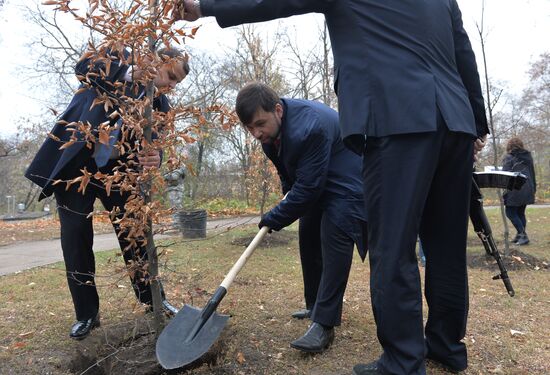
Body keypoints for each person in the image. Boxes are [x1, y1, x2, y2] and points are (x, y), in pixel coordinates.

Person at [174, 1, 488, 374]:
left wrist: (203, 6)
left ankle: (404, 361)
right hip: (455, 123)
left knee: (391, 247)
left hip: (395, 119)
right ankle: (445, 346)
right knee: (446, 247)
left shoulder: (308, 123)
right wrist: (476, 121)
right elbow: (462, 49)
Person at [25, 46, 189, 340]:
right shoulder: (119, 57)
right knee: (75, 238)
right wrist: (128, 72)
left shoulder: (161, 106)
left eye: (177, 83)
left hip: (122, 173)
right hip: (76, 167)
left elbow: (157, 145)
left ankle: (153, 300)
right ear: (154, 61)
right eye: (171, 76)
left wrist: (156, 157)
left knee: (137, 234)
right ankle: (87, 314)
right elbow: (82, 67)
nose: (171, 86)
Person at [236, 82, 367, 354]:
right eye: (250, 128)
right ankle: (314, 305)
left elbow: (307, 189)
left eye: (260, 124)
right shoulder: (270, 138)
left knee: (334, 240)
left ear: (278, 110)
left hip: (348, 183)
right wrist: (287, 199)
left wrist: (275, 217)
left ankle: (324, 325)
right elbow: (290, 177)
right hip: (319, 181)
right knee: (308, 238)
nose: (256, 133)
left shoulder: (309, 127)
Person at [502, 137, 537, 246]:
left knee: (510, 212)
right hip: (528, 188)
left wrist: (504, 192)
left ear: (509, 146)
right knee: (520, 212)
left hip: (515, 189)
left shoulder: (509, 157)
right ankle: (519, 235)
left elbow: (505, 175)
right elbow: (532, 173)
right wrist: (534, 188)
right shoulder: (528, 157)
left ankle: (523, 235)